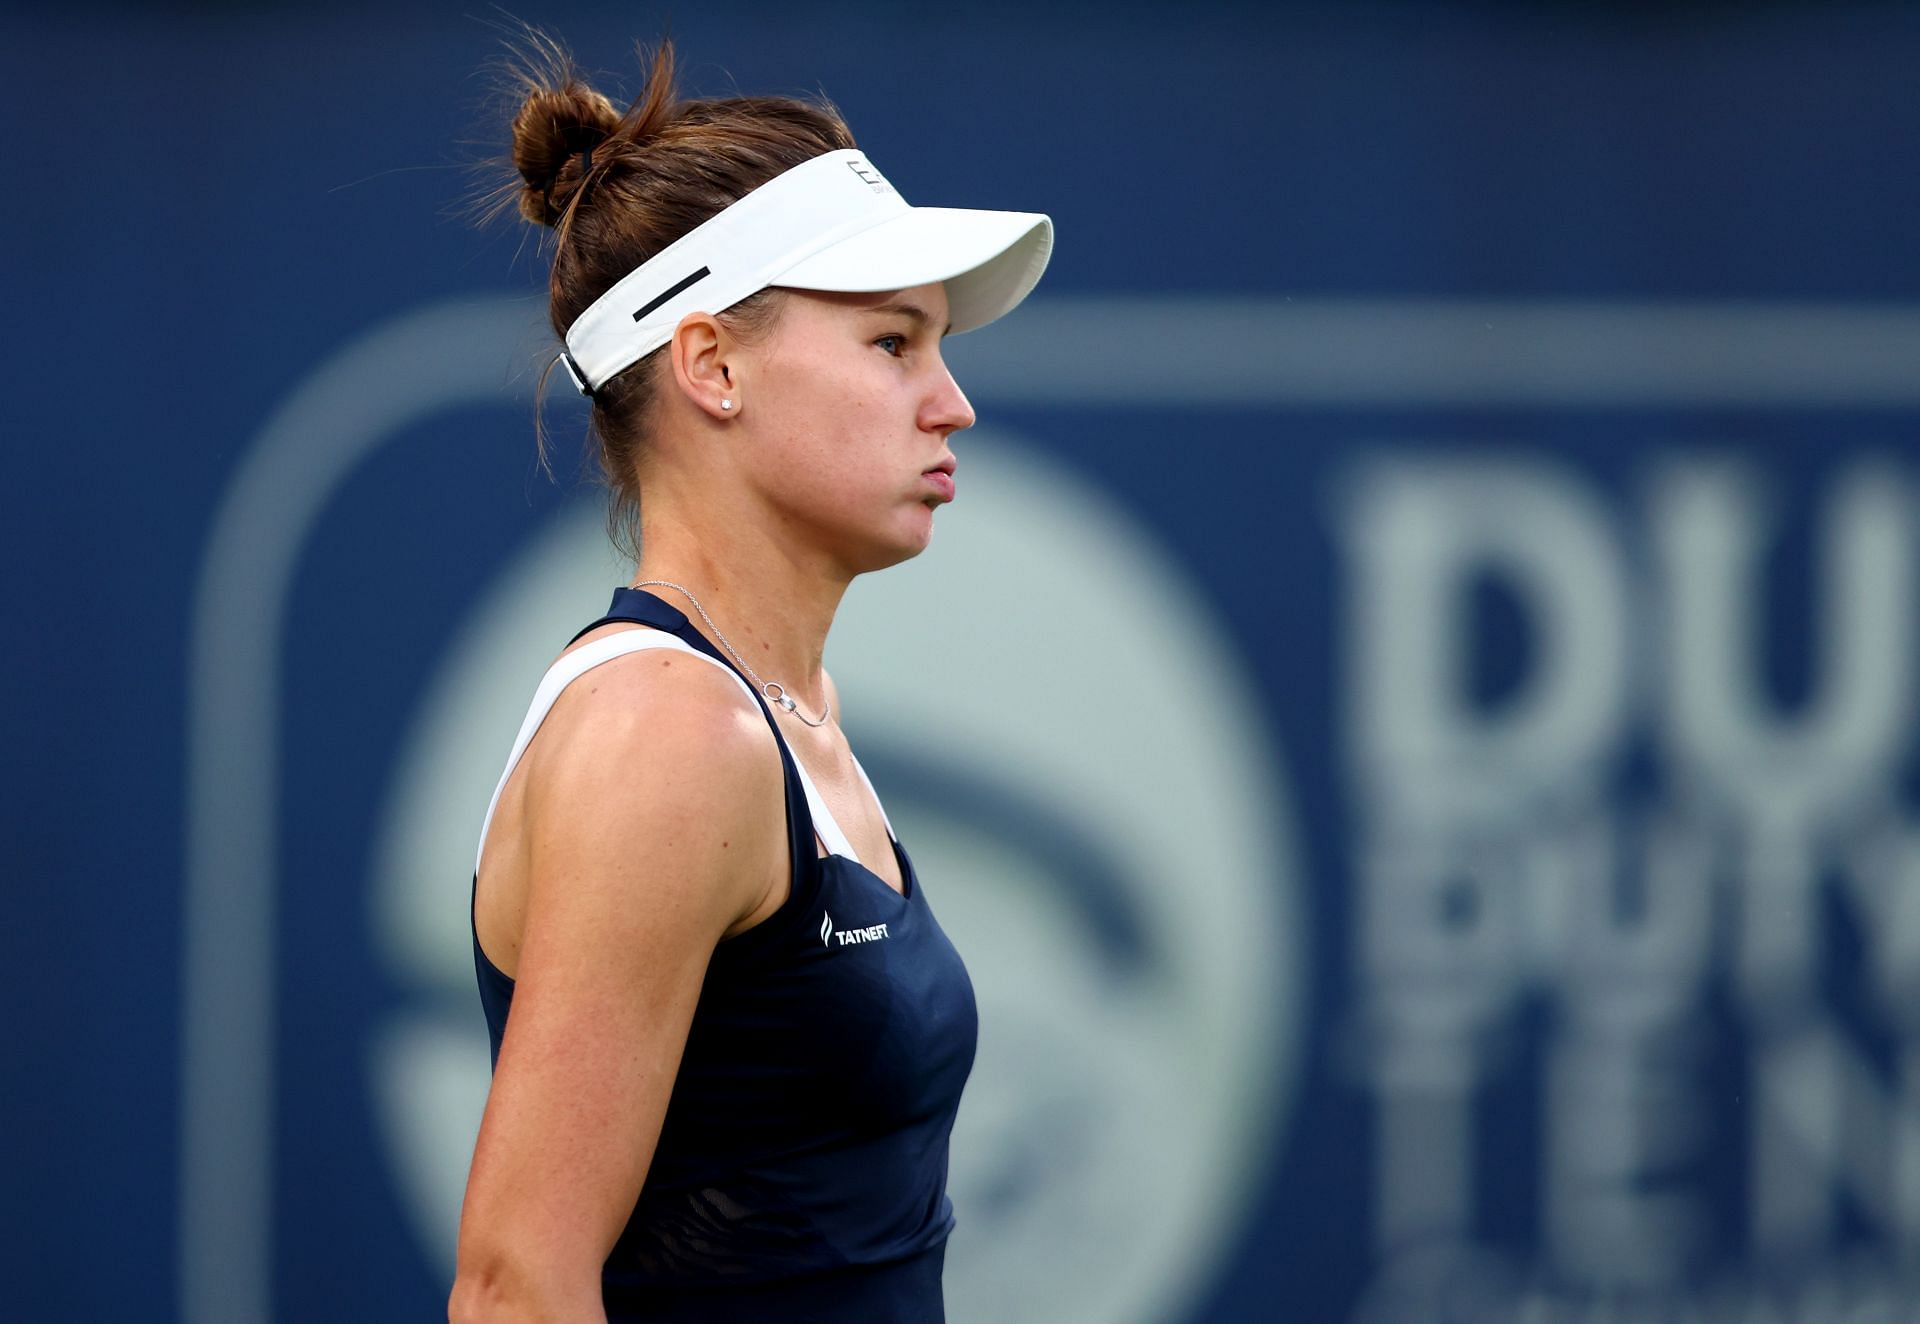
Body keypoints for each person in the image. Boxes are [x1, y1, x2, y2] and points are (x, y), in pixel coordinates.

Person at [447, 31, 1052, 1324]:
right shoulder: (670, 733)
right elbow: (514, 1290)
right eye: (894, 344)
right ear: (712, 365)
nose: (952, 403)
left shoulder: (787, 720)